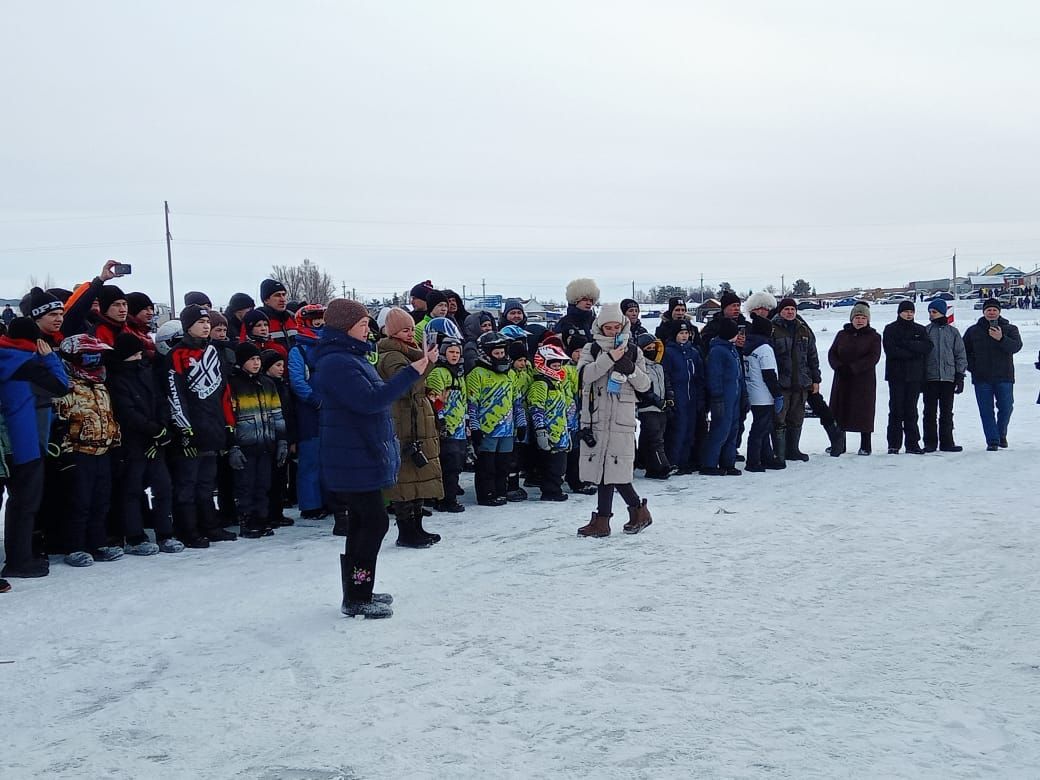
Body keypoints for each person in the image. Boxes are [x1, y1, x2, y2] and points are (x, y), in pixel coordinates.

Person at [311, 298, 438, 619]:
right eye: (363, 324)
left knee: (363, 522)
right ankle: (356, 595)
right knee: (373, 522)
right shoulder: (338, 362)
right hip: (352, 456)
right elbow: (371, 400)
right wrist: (413, 371)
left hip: (361, 453)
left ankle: (358, 591)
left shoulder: (352, 357)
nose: (368, 329)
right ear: (345, 326)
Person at [0, 318, 71, 578]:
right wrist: (50, 358)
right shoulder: (28, 365)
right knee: (24, 505)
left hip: (3, 443)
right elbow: (61, 386)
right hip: (27, 443)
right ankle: (19, 560)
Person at [575, 303, 653, 538]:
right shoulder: (591, 348)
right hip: (596, 417)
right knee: (603, 470)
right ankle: (630, 513)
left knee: (614, 470)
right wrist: (610, 358)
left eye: (616, 327)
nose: (612, 331)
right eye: (607, 327)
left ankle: (608, 519)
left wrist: (629, 368)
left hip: (621, 418)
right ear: (599, 326)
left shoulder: (634, 350)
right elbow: (584, 376)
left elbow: (645, 385)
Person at [167, 305, 237, 547]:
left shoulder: (213, 351)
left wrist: (229, 423)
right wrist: (184, 430)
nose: (206, 326)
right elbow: (175, 394)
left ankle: (211, 526)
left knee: (208, 482)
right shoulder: (176, 355)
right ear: (187, 326)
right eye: (200, 322)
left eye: (207, 322)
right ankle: (188, 530)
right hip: (190, 431)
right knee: (187, 484)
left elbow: (224, 392)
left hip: (213, 427)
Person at [52, 334, 124, 567]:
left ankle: (98, 542)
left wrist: (114, 443)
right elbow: (60, 422)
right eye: (88, 356)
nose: (94, 360)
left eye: (97, 355)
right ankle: (75, 545)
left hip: (103, 450)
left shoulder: (101, 385)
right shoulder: (67, 387)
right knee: (79, 501)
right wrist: (65, 455)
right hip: (78, 451)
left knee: (101, 500)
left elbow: (109, 415)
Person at [107, 333, 182, 555]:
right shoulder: (117, 378)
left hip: (155, 440)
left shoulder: (146, 372)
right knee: (132, 490)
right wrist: (153, 430)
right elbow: (126, 412)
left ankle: (165, 532)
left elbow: (160, 401)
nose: (141, 356)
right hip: (133, 443)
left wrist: (162, 429)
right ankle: (134, 536)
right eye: (137, 353)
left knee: (163, 487)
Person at [376, 307, 444, 547]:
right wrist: (427, 365)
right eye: (404, 330)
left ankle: (417, 527)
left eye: (411, 329)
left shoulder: (409, 353)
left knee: (418, 476)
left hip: (414, 419)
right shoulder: (392, 356)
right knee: (406, 478)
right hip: (403, 420)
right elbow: (404, 386)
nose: (409, 333)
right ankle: (407, 531)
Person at [227, 342, 288, 539]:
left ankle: (262, 518)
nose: (256, 363)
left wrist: (282, 441)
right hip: (246, 443)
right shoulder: (234, 384)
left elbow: (277, 414)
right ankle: (247, 520)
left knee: (263, 483)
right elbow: (230, 416)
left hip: (266, 442)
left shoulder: (267, 384)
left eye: (258, 359)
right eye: (251, 359)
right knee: (246, 485)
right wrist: (232, 445)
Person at [963, 298, 1023, 450]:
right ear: (983, 312)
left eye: (994, 310)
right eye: (988, 310)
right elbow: (964, 352)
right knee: (986, 410)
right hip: (982, 377)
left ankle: (1001, 433)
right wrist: (973, 367)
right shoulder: (973, 331)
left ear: (999, 312)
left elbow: (1016, 347)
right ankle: (993, 440)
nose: (991, 312)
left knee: (1006, 407)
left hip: (1004, 376)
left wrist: (1001, 339)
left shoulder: (1010, 329)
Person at [467, 331, 517, 506]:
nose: (500, 356)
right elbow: (471, 404)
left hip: (507, 429)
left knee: (503, 464)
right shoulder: (477, 373)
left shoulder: (510, 374)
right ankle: (486, 494)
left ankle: (501, 491)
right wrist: (474, 427)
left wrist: (521, 423)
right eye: (496, 353)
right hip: (486, 428)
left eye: (502, 353)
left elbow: (516, 401)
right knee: (487, 465)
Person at [287, 304, 327, 519]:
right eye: (315, 319)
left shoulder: (330, 346)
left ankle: (330, 500)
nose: (320, 323)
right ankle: (310, 504)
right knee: (310, 459)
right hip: (309, 411)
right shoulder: (298, 350)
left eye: (322, 318)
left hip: (331, 410)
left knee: (329, 457)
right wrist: (314, 399)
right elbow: (297, 381)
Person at [770, 297, 821, 462]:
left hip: (801, 382)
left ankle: (793, 450)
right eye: (786, 309)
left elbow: (812, 355)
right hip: (781, 383)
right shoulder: (772, 329)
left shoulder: (804, 329)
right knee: (779, 419)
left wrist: (816, 379)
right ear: (780, 311)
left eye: (793, 309)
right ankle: (780, 452)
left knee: (797, 418)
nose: (790, 312)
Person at [828, 302, 882, 455]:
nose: (860, 320)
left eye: (863, 317)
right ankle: (839, 444)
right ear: (852, 318)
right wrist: (838, 366)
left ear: (868, 320)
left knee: (863, 412)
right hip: (842, 379)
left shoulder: (874, 337)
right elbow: (832, 353)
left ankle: (865, 445)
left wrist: (853, 368)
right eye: (857, 317)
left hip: (863, 381)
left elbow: (873, 357)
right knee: (839, 411)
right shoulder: (842, 334)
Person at [881, 301, 932, 454]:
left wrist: (906, 345)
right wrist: (913, 352)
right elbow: (891, 351)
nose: (909, 314)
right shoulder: (890, 329)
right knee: (896, 410)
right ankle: (894, 444)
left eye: (911, 311)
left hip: (915, 376)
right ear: (899, 312)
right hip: (896, 376)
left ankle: (912, 444)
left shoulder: (920, 329)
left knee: (911, 410)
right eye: (906, 311)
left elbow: (927, 347)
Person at [526, 342, 572, 501]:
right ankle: (550, 490)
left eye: (559, 364)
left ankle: (555, 487)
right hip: (548, 431)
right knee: (551, 464)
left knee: (560, 464)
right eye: (553, 364)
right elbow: (536, 408)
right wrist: (540, 431)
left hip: (561, 431)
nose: (557, 367)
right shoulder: (540, 384)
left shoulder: (557, 384)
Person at [701, 319, 745, 475]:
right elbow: (714, 375)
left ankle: (728, 462)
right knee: (720, 430)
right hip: (723, 397)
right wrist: (717, 396)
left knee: (733, 429)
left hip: (734, 395)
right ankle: (710, 464)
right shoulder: (718, 351)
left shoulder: (731, 349)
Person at [922, 299, 967, 453]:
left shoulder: (953, 332)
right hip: (930, 378)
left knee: (946, 412)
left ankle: (947, 442)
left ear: (942, 312)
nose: (931, 315)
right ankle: (930, 442)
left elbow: (960, 354)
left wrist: (960, 375)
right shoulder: (926, 331)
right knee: (929, 412)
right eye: (930, 312)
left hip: (948, 378)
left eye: (934, 312)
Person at [742, 314, 784, 472]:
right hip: (763, 394)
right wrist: (777, 394)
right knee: (760, 429)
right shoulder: (765, 348)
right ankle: (753, 461)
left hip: (752, 391)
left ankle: (766, 457)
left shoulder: (748, 345)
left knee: (764, 428)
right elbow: (769, 374)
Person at [661, 319, 703, 474]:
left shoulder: (693, 352)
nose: (684, 336)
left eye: (686, 333)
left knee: (689, 431)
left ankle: (684, 461)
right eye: (681, 333)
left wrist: (700, 399)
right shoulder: (669, 352)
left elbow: (699, 376)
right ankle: (674, 461)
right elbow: (666, 376)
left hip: (691, 396)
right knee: (677, 430)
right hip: (678, 396)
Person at [634, 333, 671, 479]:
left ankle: (649, 464)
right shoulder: (641, 368)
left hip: (661, 408)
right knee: (656, 439)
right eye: (648, 348)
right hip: (647, 408)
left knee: (651, 437)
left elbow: (666, 384)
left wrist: (669, 399)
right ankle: (662, 466)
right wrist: (656, 400)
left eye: (653, 347)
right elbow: (644, 389)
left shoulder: (659, 366)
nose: (652, 350)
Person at [555, 278, 600, 346]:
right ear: (575, 300)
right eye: (585, 299)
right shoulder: (564, 323)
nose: (589, 303)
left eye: (591, 300)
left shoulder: (595, 322)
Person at [256, 279, 297, 352]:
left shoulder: (293, 318)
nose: (283, 299)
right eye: (277, 295)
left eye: (284, 294)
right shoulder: (258, 322)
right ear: (266, 300)